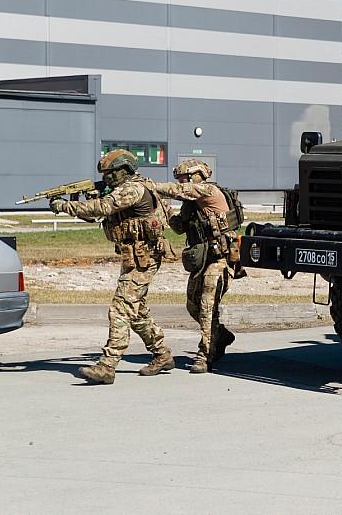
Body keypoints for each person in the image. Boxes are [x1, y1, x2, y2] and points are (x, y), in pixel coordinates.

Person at [50, 150, 175, 384]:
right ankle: (162, 355)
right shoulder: (124, 188)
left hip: (144, 258)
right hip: (135, 258)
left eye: (110, 173)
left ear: (124, 171)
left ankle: (107, 366)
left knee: (120, 308)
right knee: (136, 312)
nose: (106, 177)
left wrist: (66, 207)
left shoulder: (133, 189)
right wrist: (78, 202)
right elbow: (100, 214)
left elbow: (103, 208)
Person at [153, 159, 238, 374]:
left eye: (183, 178)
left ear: (195, 176)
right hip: (202, 260)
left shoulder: (209, 191)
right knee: (193, 305)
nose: (180, 183)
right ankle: (221, 335)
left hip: (219, 260)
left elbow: (179, 191)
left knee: (208, 306)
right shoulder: (191, 204)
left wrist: (151, 186)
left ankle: (204, 356)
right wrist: (165, 210)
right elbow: (180, 228)